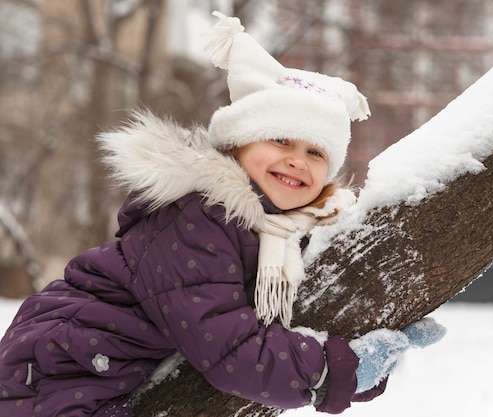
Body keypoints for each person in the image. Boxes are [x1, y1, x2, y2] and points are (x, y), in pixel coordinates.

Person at [0, 12, 444, 417]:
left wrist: (369, 340)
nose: (297, 161)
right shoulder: (199, 216)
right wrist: (336, 370)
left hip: (101, 368)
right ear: (236, 145)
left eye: (315, 152)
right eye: (280, 141)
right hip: (61, 370)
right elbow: (228, 345)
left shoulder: (280, 230)